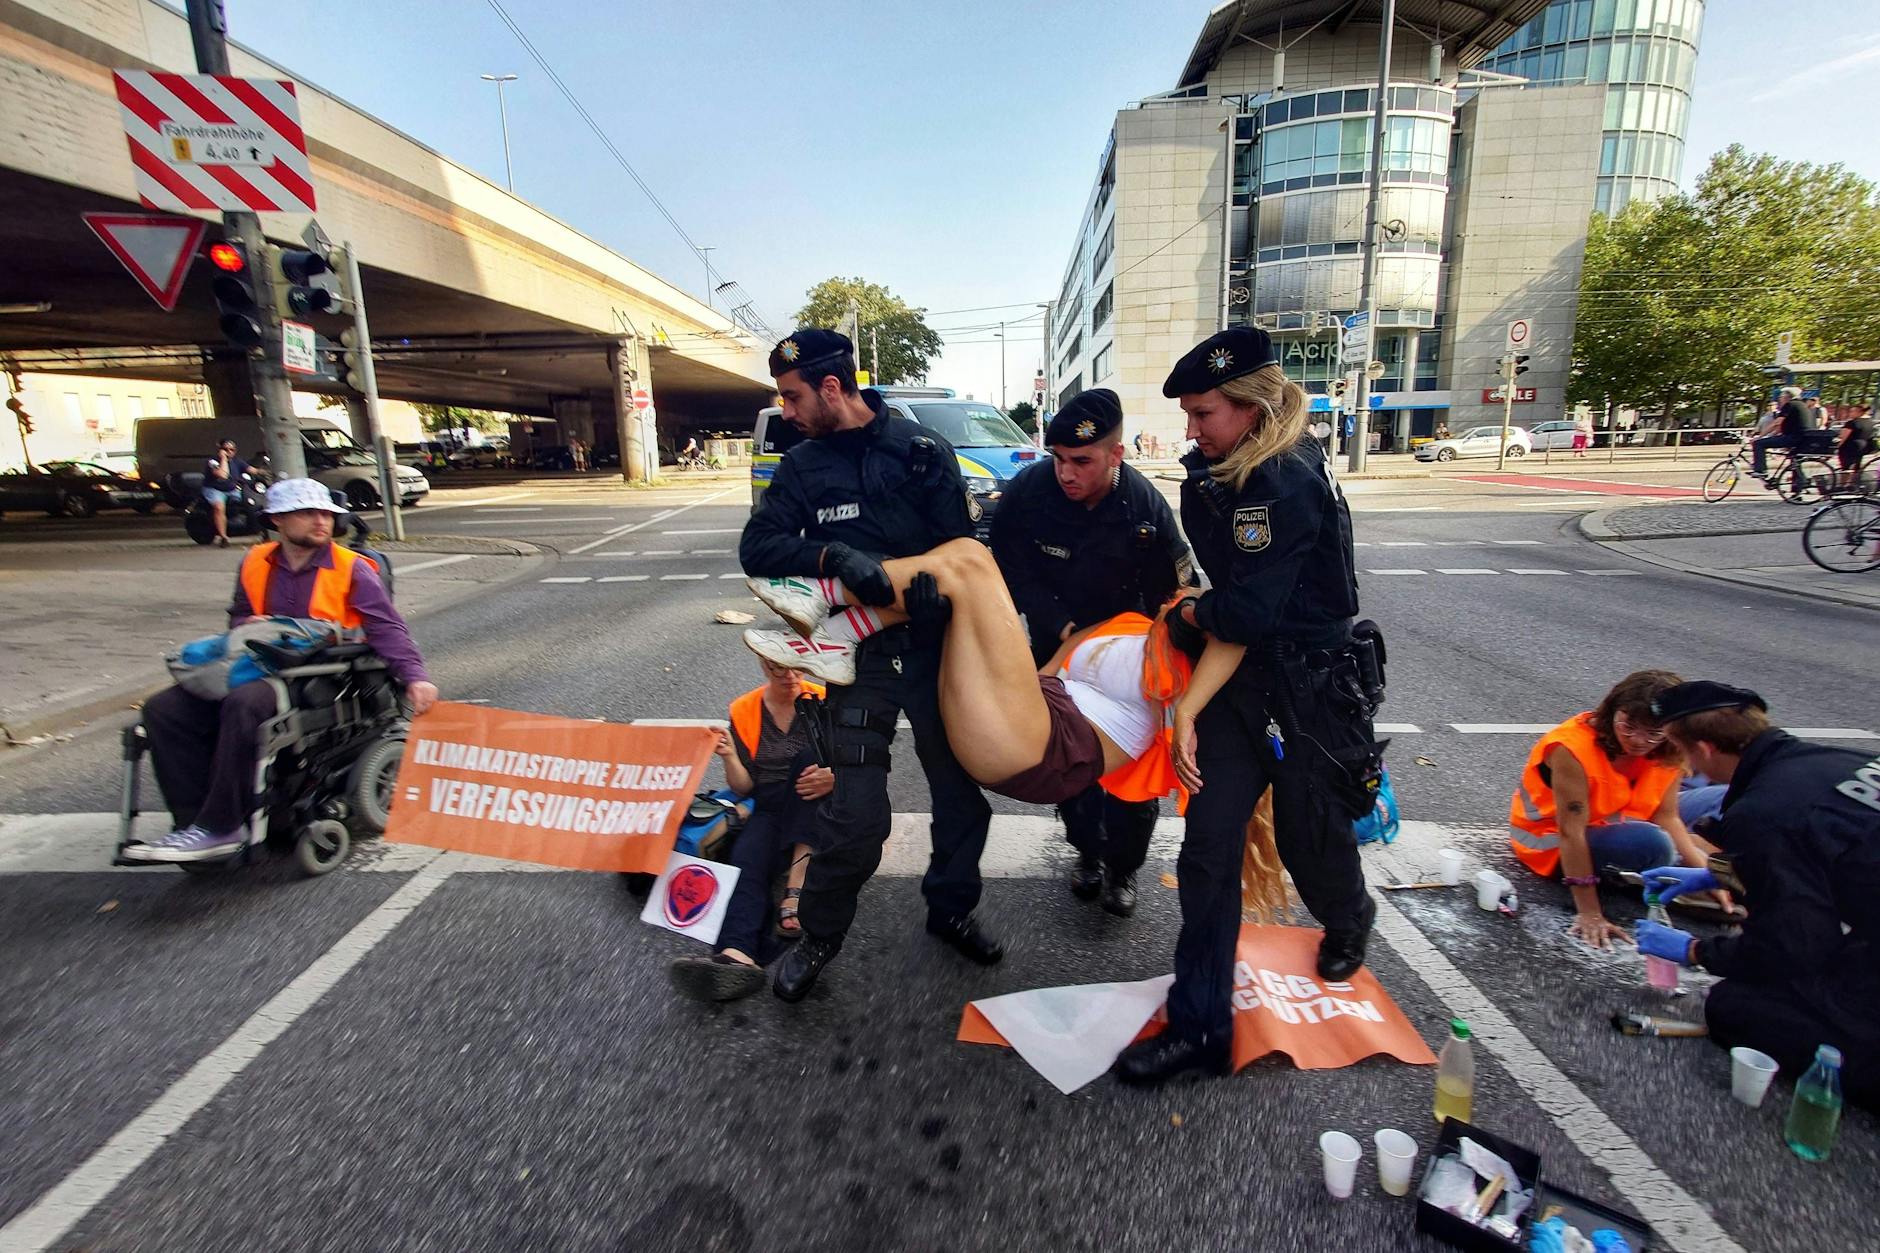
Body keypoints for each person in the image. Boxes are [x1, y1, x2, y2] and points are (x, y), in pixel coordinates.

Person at [1109, 327, 1384, 1085]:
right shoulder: (1223, 469)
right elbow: (1238, 609)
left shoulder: (1284, 477)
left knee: (1309, 843)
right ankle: (1201, 1027)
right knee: (1206, 852)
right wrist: (1190, 706)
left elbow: (1240, 610)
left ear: (1252, 408)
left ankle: (1350, 915)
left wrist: (1190, 616)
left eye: (1203, 413)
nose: (1191, 430)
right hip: (1245, 678)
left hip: (1313, 690)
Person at [737, 328, 998, 1003]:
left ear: (833, 387)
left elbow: (962, 552)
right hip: (859, 656)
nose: (786, 412)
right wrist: (829, 557)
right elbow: (758, 544)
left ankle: (950, 908)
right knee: (854, 817)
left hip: (939, 653)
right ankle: (820, 934)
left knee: (961, 798)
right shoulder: (802, 466)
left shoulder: (920, 453)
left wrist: (940, 589)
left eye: (793, 397)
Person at [742, 542, 1238, 812]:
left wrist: (1191, 704)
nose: (1186, 606)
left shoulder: (1187, 678)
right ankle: (839, 636)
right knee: (958, 573)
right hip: (1026, 713)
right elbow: (1045, 671)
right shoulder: (1128, 627)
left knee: (971, 566)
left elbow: (1235, 631)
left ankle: (824, 593)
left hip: (1045, 752)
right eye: (1183, 600)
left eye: (1195, 610)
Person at [125, 479, 439, 863]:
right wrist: (248, 622)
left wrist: (414, 677)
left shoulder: (353, 568)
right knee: (163, 709)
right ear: (277, 520)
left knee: (243, 705)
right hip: (258, 664)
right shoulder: (255, 561)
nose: (321, 521)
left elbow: (387, 627)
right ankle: (193, 826)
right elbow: (238, 615)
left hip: (324, 676)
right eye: (308, 513)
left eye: (325, 513)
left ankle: (223, 825)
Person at [989, 388, 1193, 917]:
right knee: (1070, 764)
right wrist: (1057, 622)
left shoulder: (1145, 507)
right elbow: (1008, 562)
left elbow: (1172, 596)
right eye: (1058, 459)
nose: (1067, 473)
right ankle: (1087, 853)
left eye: (1082, 460)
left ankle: (1123, 870)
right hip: (1058, 643)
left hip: (1126, 661)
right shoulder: (1031, 491)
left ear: (1115, 455)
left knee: (1132, 783)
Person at [1634, 682, 1880, 1111]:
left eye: (1681, 750)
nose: (1684, 766)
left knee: (1734, 1007)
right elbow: (1830, 850)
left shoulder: (1762, 812)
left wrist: (1695, 950)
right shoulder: (1834, 760)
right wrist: (1721, 872)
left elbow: (1795, 946)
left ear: (1706, 749)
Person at [1508, 670, 1718, 948]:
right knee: (1655, 843)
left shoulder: (1670, 746)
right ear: (1612, 712)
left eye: (1653, 733)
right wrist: (1590, 912)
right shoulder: (1571, 748)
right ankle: (1667, 874)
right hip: (1552, 843)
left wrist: (1710, 878)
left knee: (1722, 801)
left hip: (1628, 823)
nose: (1638, 741)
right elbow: (1571, 832)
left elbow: (1666, 814)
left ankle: (1686, 870)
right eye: (1628, 726)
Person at [668, 658, 830, 1002]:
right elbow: (744, 788)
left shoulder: (823, 699)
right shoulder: (744, 709)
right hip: (769, 803)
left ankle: (795, 888)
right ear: (762, 667)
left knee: (808, 764)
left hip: (816, 799)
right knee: (745, 865)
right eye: (777, 669)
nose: (789, 677)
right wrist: (728, 756)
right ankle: (736, 956)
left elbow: (855, 761)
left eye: (796, 668)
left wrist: (835, 776)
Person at [1751, 386, 1809, 487]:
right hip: (1803, 438)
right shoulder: (1802, 405)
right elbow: (1780, 427)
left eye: (1781, 397)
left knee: (1758, 444)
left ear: (1787, 397)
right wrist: (1769, 436)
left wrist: (1760, 436)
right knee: (1795, 462)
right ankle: (1798, 488)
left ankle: (1761, 470)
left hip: (1794, 438)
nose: (1779, 400)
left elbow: (1777, 423)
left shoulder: (1790, 405)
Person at [200, 438, 250, 549]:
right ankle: (224, 537)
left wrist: (266, 471)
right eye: (226, 449)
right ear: (220, 450)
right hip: (215, 489)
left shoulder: (238, 461)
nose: (229, 452)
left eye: (232, 449)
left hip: (232, 489)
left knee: (250, 500)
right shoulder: (213, 461)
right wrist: (223, 458)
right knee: (219, 506)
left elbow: (251, 469)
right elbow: (223, 475)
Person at [1835, 402, 1873, 490]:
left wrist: (1836, 447)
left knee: (1846, 467)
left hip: (1849, 446)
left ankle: (1842, 485)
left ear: (1859, 412)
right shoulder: (1870, 422)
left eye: (1852, 411)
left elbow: (1843, 437)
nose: (1850, 413)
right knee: (1856, 467)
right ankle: (1854, 485)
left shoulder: (1852, 423)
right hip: (1863, 446)